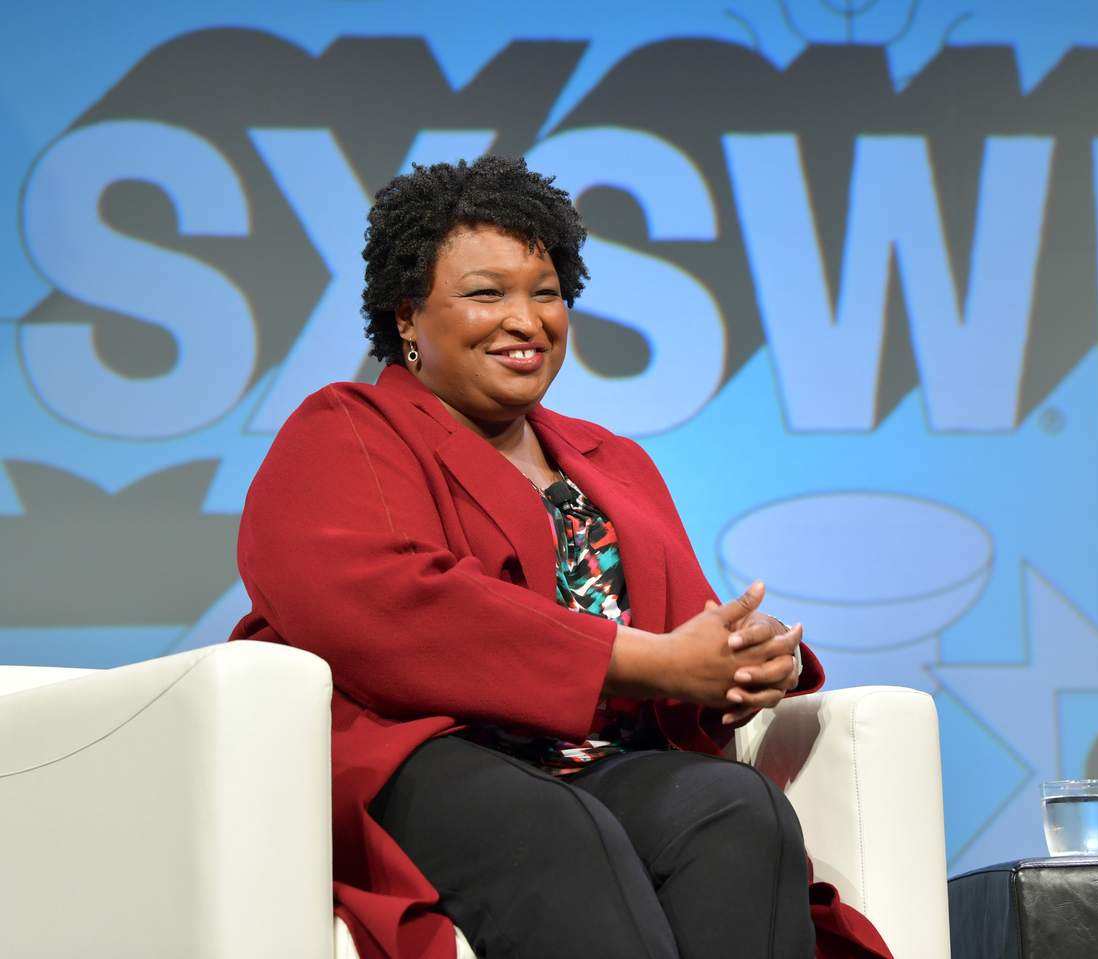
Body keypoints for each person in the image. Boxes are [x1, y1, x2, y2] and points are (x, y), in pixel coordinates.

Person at [231, 155, 884, 959]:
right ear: (407, 317)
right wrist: (649, 660)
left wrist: (743, 663)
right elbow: (389, 606)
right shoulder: (347, 430)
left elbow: (684, 634)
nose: (526, 319)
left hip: (597, 769)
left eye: (546, 291)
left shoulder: (610, 461)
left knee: (735, 807)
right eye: (486, 293)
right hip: (428, 762)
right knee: (554, 827)